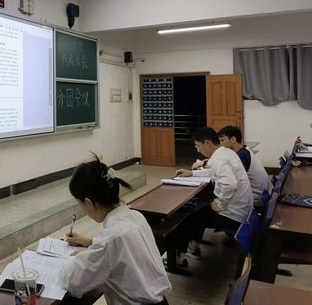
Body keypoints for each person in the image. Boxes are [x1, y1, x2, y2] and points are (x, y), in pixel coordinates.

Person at [59, 155, 172, 305]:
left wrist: (75, 258)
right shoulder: (136, 216)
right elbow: (123, 246)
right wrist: (89, 241)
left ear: (88, 202)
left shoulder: (109, 241)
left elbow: (71, 281)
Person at [174, 127, 252, 265]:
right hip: (242, 210)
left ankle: (179, 257)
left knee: (188, 215)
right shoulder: (225, 152)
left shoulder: (219, 159)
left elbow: (230, 185)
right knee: (200, 208)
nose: (198, 150)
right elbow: (213, 173)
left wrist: (220, 203)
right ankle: (192, 248)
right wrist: (191, 173)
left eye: (198, 146)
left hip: (234, 216)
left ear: (207, 143)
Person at [217, 125, 269, 209]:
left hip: (255, 198)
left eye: (223, 140)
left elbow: (230, 180)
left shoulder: (242, 156)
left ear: (233, 139)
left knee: (218, 199)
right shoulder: (244, 151)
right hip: (260, 194)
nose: (221, 144)